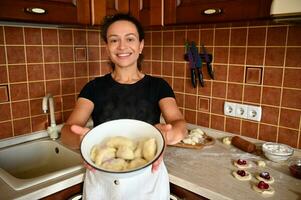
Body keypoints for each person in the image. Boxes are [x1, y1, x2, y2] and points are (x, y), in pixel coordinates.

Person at [61, 13, 187, 200]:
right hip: (102, 182)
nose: (122, 46)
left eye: (130, 39)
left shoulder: (158, 86)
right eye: (114, 40)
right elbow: (66, 132)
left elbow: (179, 123)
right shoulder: (93, 88)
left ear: (141, 45)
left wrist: (166, 136)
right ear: (106, 47)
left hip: (148, 181)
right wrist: (81, 140)